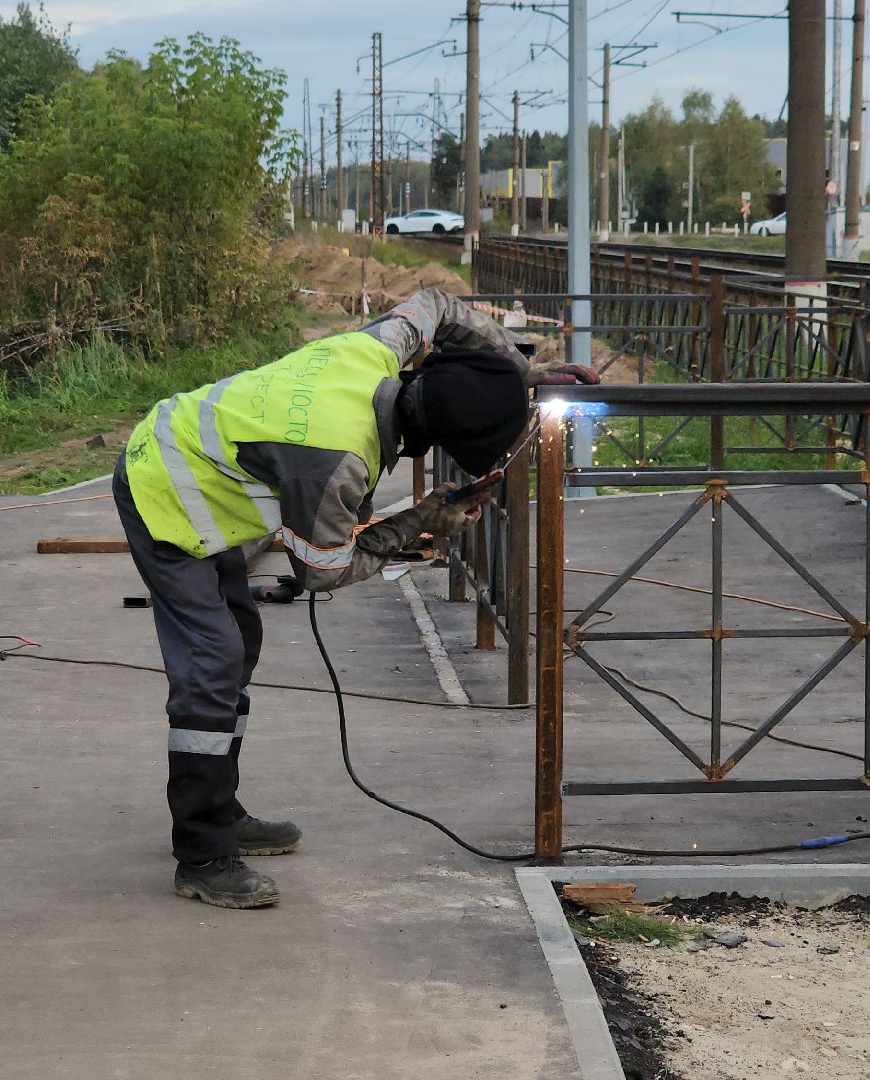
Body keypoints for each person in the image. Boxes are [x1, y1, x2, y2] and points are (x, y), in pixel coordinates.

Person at [114, 288, 596, 909]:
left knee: (239, 645)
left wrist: (512, 370)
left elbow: (437, 305)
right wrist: (417, 523)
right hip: (161, 489)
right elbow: (323, 571)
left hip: (191, 453)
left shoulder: (375, 350)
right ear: (428, 439)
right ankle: (203, 856)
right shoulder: (337, 463)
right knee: (213, 661)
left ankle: (219, 807)